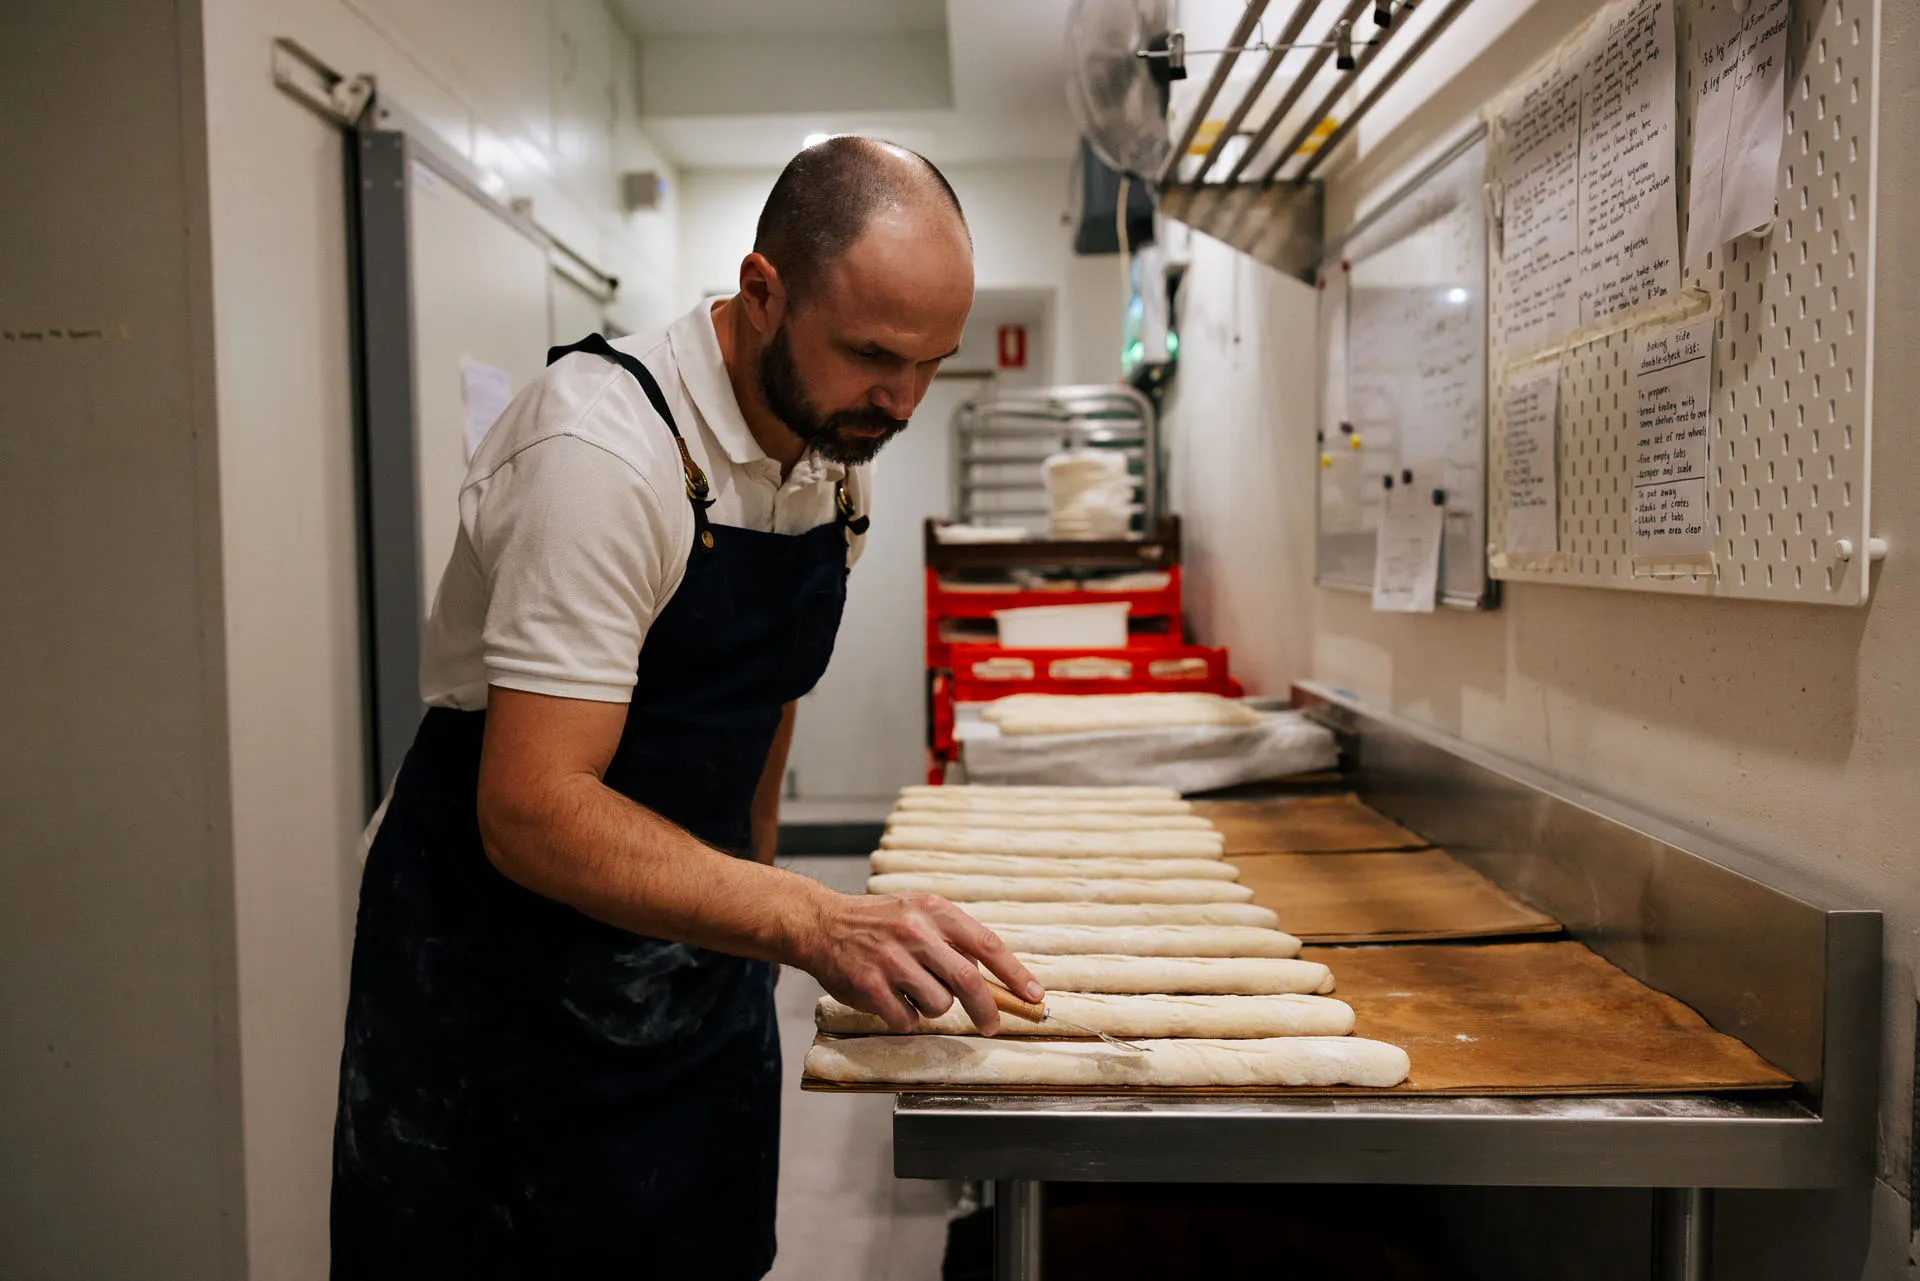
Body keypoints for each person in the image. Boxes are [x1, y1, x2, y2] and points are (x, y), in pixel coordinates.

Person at [330, 136, 1042, 1279]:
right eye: (871, 355)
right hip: (503, 986)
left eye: (933, 363)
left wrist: (748, 914)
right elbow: (532, 808)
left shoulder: (832, 440)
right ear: (762, 294)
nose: (902, 401)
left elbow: (764, 695)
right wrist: (805, 917)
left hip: (696, 948)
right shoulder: (603, 454)